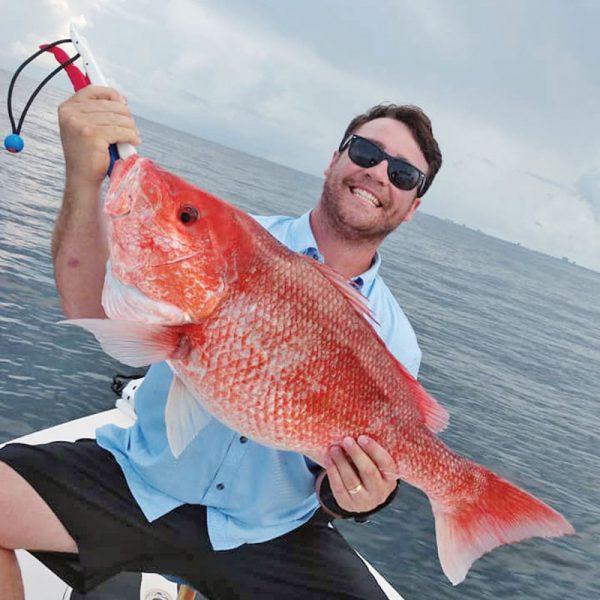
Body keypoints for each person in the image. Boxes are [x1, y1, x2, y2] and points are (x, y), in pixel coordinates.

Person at [0, 86, 442, 599]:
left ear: (412, 206)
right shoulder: (232, 237)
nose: (379, 173)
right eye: (366, 152)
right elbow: (89, 310)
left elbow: (331, 486)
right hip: (144, 483)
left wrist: (359, 498)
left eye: (403, 174)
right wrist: (84, 179)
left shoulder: (396, 341)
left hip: (269, 534)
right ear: (335, 159)